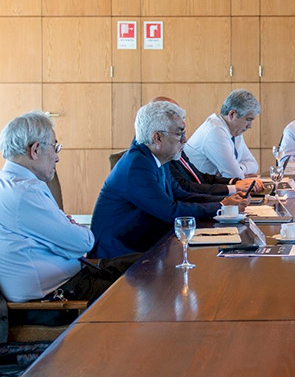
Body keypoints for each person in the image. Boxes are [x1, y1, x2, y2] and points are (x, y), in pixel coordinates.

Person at [90, 101, 247, 259]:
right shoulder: (137, 166)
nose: (185, 140)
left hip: (146, 246)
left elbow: (180, 194)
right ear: (157, 137)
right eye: (179, 134)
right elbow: (170, 211)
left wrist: (225, 201)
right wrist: (220, 206)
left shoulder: (155, 157)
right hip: (119, 257)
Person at [0, 112, 119, 303]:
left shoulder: (9, 184)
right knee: (144, 285)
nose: (57, 158)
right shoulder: (24, 193)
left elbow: (69, 243)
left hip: (68, 283)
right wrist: (70, 231)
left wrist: (65, 238)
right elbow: (84, 243)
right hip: (58, 298)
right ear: (36, 150)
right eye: (55, 147)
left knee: (143, 265)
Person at [150, 97, 262, 197]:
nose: (185, 140)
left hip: (205, 197)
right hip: (199, 203)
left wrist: (234, 182)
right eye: (179, 133)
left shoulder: (174, 146)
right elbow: (185, 189)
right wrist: (223, 202)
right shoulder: (158, 156)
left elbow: (200, 177)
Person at [185, 89, 260, 179]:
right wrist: (238, 173)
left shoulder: (234, 131)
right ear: (232, 114)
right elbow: (234, 176)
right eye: (248, 119)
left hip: (215, 188)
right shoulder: (215, 131)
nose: (250, 126)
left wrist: (240, 169)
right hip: (200, 189)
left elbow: (254, 165)